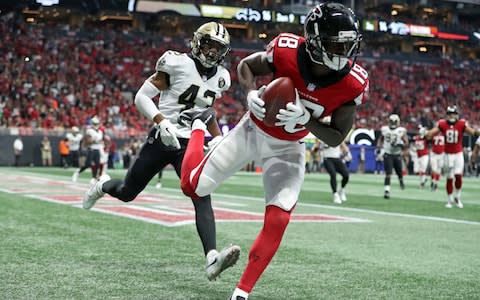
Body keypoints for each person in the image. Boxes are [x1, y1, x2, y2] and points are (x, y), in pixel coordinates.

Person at [180, 3, 368, 299]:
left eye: (349, 44)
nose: (344, 53)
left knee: (279, 216)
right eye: (337, 44)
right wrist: (250, 92)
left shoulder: (353, 83)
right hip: (251, 131)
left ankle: (241, 292)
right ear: (316, 40)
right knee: (192, 187)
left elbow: (335, 137)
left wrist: (307, 120)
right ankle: (199, 128)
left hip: (290, 147)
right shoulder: (286, 49)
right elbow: (246, 67)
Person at [82, 22, 240, 281]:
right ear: (197, 42)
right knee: (127, 192)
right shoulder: (176, 63)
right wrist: (160, 120)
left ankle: (212, 258)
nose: (212, 52)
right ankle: (101, 186)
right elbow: (142, 97)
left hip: (190, 143)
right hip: (162, 137)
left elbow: (207, 112)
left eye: (218, 48)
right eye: (209, 45)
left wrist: (218, 137)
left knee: (201, 194)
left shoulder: (222, 77)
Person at [426, 105, 480, 208]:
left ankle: (458, 197)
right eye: (450, 114)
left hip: (458, 154)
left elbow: (472, 132)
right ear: (447, 115)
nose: (451, 116)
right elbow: (431, 134)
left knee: (458, 176)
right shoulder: (442, 124)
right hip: (447, 154)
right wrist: (426, 133)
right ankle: (449, 200)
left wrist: (477, 132)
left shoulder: (461, 124)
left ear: (457, 114)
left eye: (453, 114)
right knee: (449, 177)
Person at [377, 114, 408, 199]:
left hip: (397, 154)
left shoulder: (401, 131)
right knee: (388, 173)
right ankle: (387, 191)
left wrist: (399, 144)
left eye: (394, 121)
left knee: (399, 173)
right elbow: (380, 139)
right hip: (388, 153)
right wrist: (379, 147)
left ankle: (401, 180)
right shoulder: (384, 129)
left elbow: (406, 143)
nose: (393, 123)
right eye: (392, 121)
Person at [72, 116, 104, 184]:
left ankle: (93, 178)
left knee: (97, 165)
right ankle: (77, 172)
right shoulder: (89, 130)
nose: (96, 125)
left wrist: (97, 141)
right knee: (88, 164)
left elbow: (101, 140)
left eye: (97, 123)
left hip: (97, 149)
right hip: (91, 149)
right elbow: (88, 141)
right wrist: (94, 141)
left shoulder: (100, 132)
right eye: (94, 123)